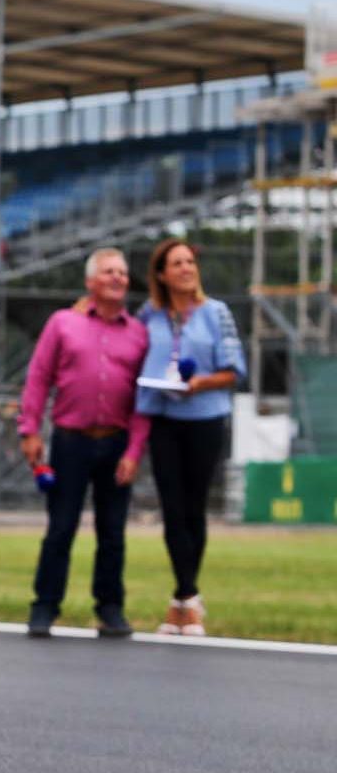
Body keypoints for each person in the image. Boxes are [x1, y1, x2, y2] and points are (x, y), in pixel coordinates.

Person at [18, 247, 149, 640]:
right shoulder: (62, 324)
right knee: (61, 527)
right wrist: (29, 430)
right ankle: (44, 606)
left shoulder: (138, 334)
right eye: (108, 272)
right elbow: (38, 377)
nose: (117, 278)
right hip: (70, 441)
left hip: (116, 442)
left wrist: (133, 451)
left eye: (123, 273)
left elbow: (144, 400)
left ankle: (110, 609)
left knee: (113, 533)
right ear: (90, 282)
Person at [132, 238, 245, 636]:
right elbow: (128, 344)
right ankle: (187, 597)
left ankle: (183, 601)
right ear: (162, 274)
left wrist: (200, 384)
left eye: (189, 262)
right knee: (172, 508)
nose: (185, 268)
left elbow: (234, 371)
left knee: (194, 508)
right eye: (176, 263)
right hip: (164, 418)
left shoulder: (217, 313)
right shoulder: (150, 315)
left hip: (205, 417)